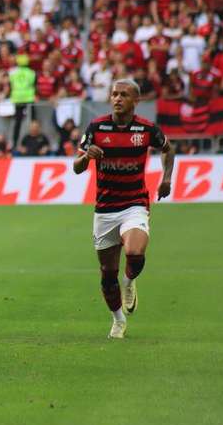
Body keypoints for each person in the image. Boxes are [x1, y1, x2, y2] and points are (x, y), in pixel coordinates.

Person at [73, 79, 175, 339]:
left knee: (134, 251)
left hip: (134, 204)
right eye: (114, 94)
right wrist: (87, 156)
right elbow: (76, 167)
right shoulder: (97, 127)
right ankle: (118, 320)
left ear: (135, 101)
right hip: (105, 209)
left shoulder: (146, 128)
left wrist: (166, 178)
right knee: (108, 275)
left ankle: (130, 281)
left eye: (123, 95)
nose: (117, 98)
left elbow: (168, 149)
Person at [8, 54, 36, 148]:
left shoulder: (12, 72)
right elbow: (33, 84)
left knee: (18, 122)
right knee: (33, 120)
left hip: (17, 99)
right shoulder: (32, 73)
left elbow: (10, 84)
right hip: (29, 98)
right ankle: (33, 142)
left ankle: (15, 142)